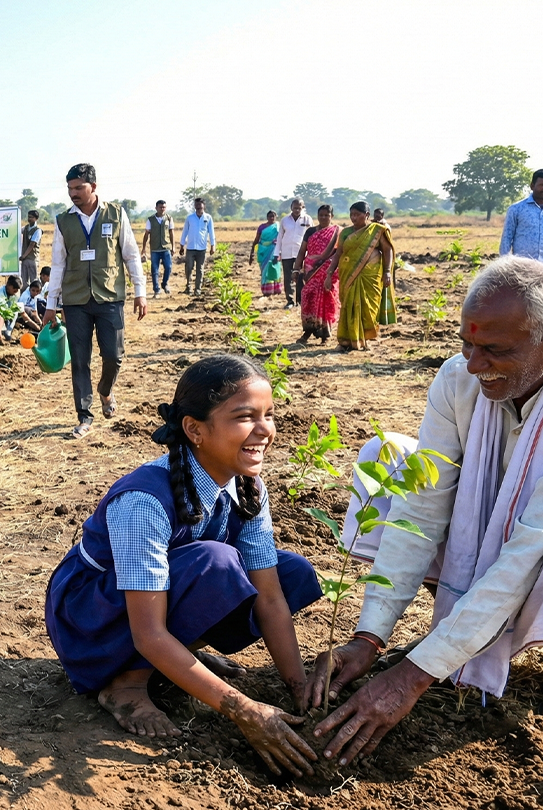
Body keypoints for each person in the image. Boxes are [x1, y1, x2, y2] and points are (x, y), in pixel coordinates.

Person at [304, 258, 543, 768]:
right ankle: (458, 624)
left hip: (535, 554)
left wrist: (412, 676)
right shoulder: (460, 382)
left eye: (495, 350)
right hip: (496, 537)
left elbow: (524, 556)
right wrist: (369, 637)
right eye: (467, 344)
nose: (475, 364)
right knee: (385, 460)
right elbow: (424, 507)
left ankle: (469, 640)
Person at [44, 355, 322, 776]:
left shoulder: (248, 486)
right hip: (93, 619)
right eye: (245, 417)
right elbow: (149, 631)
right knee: (217, 561)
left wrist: (299, 688)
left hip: (152, 603)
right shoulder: (145, 500)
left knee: (291, 574)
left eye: (268, 415)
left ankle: (177, 660)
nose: (264, 430)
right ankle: (126, 683)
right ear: (195, 429)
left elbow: (268, 595)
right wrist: (243, 710)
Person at [41, 163, 148, 439]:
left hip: (109, 295)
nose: (73, 193)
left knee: (114, 355)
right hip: (75, 300)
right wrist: (52, 305)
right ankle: (84, 416)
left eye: (78, 188)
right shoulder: (63, 220)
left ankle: (105, 391)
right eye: (70, 189)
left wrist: (140, 291)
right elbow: (58, 264)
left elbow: (131, 254)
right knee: (79, 359)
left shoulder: (116, 214)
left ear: (94, 187)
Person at [332, 201, 396, 351]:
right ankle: (345, 341)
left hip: (371, 276)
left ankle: (364, 339)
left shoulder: (378, 230)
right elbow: (338, 254)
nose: (353, 218)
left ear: (367, 215)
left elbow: (388, 250)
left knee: (368, 307)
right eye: (351, 214)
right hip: (348, 274)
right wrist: (330, 273)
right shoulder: (346, 233)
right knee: (348, 306)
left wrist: (387, 271)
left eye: (357, 214)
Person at [295, 205, 341, 345]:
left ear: (331, 216)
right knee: (308, 297)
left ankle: (325, 335)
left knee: (325, 300)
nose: (323, 218)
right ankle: (308, 330)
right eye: (321, 215)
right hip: (310, 270)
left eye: (326, 215)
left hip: (328, 271)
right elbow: (302, 252)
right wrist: (296, 269)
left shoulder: (337, 232)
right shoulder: (310, 232)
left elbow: (339, 253)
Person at [276, 199, 313, 308]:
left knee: (301, 277)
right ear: (291, 207)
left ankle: (300, 301)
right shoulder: (284, 220)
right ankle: (290, 301)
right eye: (295, 207)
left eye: (299, 208)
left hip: (302, 253)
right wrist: (277, 252)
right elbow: (279, 237)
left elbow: (312, 236)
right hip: (287, 252)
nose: (297, 210)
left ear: (303, 207)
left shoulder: (308, 219)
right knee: (288, 278)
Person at [500, 168, 543, 262]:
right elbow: (506, 239)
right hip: (523, 269)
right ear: (532, 186)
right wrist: (503, 265)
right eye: (541, 185)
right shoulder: (516, 209)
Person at [179, 197, 216, 296]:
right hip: (190, 247)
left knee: (200, 269)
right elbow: (185, 232)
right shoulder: (190, 218)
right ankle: (188, 286)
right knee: (189, 267)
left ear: (204, 206)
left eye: (200, 205)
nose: (199, 207)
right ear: (195, 206)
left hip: (202, 248)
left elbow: (211, 232)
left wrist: (213, 245)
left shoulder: (208, 218)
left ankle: (198, 289)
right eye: (197, 205)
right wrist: (182, 245)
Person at [139, 201, 174, 296]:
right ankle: (156, 290)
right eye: (160, 207)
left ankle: (165, 283)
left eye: (164, 207)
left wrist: (173, 247)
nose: (162, 209)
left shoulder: (169, 219)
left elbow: (171, 233)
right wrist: (144, 248)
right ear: (156, 208)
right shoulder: (150, 220)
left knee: (168, 267)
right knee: (155, 270)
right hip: (155, 249)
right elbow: (146, 234)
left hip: (166, 247)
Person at [249, 211, 284, 298]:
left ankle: (276, 289)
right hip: (263, 251)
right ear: (267, 217)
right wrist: (252, 252)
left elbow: (282, 238)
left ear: (276, 217)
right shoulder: (262, 227)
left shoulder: (278, 226)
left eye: (273, 216)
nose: (271, 218)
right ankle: (267, 290)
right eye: (270, 216)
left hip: (274, 250)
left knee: (274, 268)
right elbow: (257, 239)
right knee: (264, 270)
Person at [20, 209, 43, 286]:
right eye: (28, 217)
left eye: (31, 217)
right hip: (25, 259)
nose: (29, 219)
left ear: (36, 218)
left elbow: (32, 244)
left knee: (33, 281)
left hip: (32, 259)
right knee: (24, 281)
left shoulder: (37, 230)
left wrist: (23, 255)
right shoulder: (26, 228)